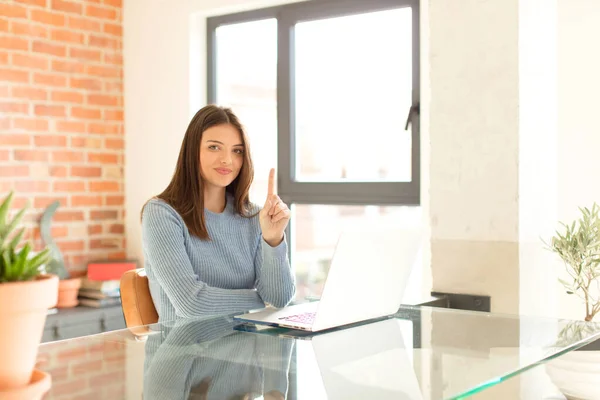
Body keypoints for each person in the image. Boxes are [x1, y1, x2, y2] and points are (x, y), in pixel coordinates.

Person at [141, 105, 296, 322]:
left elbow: (279, 299)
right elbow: (191, 304)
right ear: (192, 150)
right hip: (181, 352)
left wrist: (273, 240)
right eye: (214, 147)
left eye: (237, 151)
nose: (227, 160)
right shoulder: (162, 214)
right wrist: (260, 300)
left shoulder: (253, 217)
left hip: (242, 349)